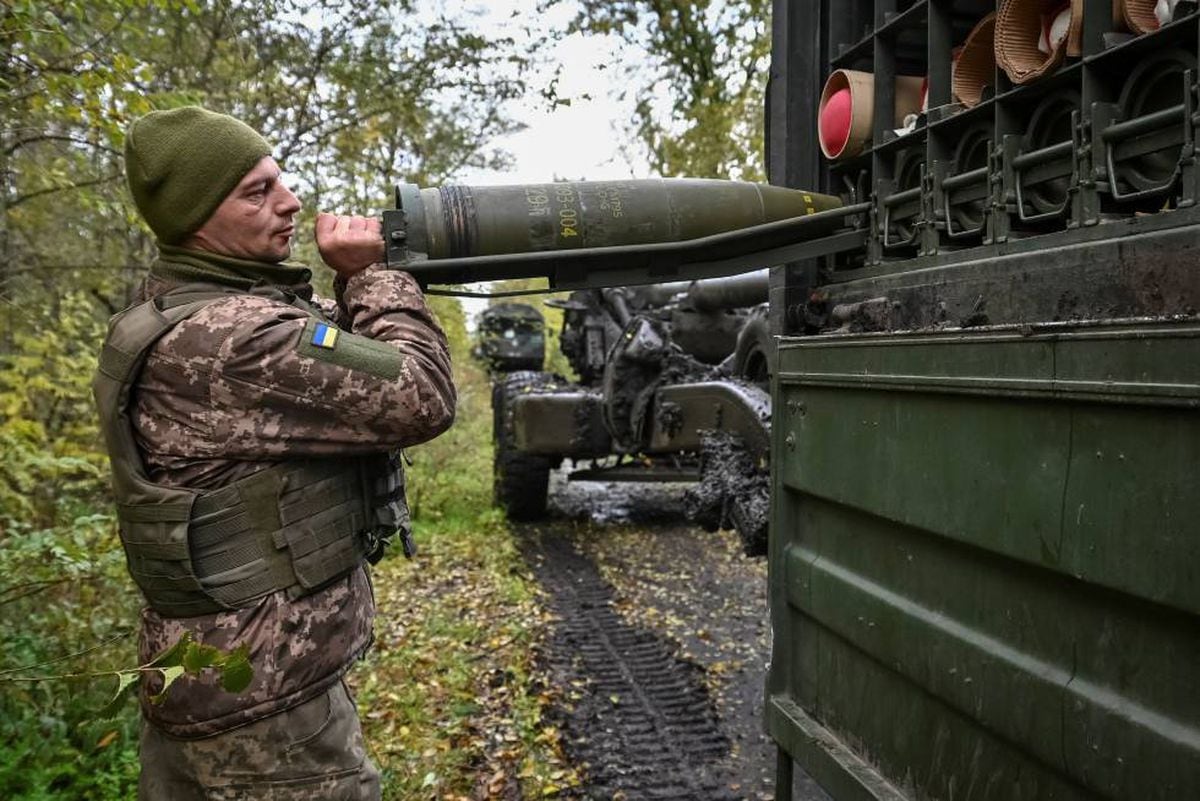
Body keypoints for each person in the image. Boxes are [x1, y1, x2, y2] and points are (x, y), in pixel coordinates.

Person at [94, 106, 456, 800]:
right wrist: (374, 275)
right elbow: (419, 395)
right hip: (270, 716)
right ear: (196, 218)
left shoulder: (172, 311)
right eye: (256, 191)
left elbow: (337, 357)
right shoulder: (233, 337)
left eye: (279, 180)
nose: (289, 201)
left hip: (204, 679)